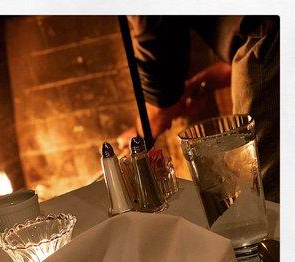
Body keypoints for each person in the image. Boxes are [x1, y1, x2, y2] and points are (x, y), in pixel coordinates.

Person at [118, 16, 279, 203]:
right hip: (269, 35)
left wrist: (140, 135)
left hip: (270, 43)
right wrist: (207, 82)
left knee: (264, 193)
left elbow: (160, 73)